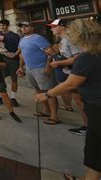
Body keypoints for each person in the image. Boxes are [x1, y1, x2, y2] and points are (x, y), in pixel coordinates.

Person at [35, 17, 101, 180]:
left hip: (97, 107)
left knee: (95, 154)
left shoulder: (86, 57)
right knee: (95, 157)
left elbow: (70, 84)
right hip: (95, 106)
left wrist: (46, 94)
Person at [47, 19, 87, 135]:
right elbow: (67, 57)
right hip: (69, 73)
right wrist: (54, 55)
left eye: (54, 26)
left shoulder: (70, 39)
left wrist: (58, 63)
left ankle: (88, 127)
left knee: (81, 101)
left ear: (62, 27)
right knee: (78, 100)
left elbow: (77, 58)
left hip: (76, 75)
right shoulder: (63, 40)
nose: (51, 29)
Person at [16, 21, 59, 125]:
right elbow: (22, 54)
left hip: (41, 69)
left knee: (49, 92)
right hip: (29, 69)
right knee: (38, 90)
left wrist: (48, 66)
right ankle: (47, 111)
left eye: (26, 26)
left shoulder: (38, 38)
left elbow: (50, 52)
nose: (23, 28)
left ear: (32, 27)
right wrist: (20, 67)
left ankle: (54, 116)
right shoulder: (22, 40)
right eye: (22, 26)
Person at [0, 19, 21, 107]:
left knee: (14, 78)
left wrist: (14, 55)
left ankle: (13, 98)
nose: (1, 27)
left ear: (7, 25)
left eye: (3, 25)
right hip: (1, 58)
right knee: (0, 77)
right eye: (0, 25)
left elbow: (20, 48)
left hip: (13, 59)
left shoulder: (14, 35)